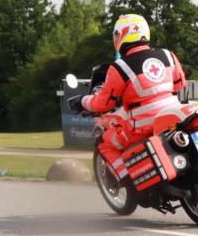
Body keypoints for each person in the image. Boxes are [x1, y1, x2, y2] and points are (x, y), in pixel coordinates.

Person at [69, 14, 190, 183]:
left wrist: (82, 101)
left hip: (143, 127)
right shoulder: (168, 55)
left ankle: (127, 180)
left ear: (122, 35)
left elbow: (103, 104)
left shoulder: (120, 67)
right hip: (174, 117)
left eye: (117, 34)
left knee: (103, 142)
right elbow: (179, 85)